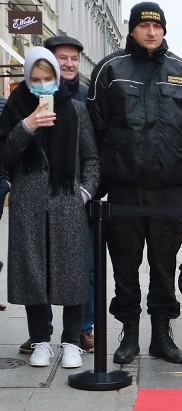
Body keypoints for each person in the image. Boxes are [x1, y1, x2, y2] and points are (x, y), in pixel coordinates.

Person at [88, 2, 182, 365]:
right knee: (124, 265)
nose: (151, 32)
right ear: (132, 30)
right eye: (143, 26)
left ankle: (162, 336)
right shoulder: (110, 69)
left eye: (157, 26)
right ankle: (129, 335)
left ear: (164, 30)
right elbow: (96, 129)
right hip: (124, 190)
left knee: (164, 265)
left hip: (169, 191)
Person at [0, 47, 99, 368]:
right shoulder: (15, 109)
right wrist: (27, 125)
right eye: (36, 79)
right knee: (33, 273)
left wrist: (83, 192)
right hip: (28, 205)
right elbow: (5, 156)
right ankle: (40, 340)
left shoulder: (75, 109)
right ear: (27, 79)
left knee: (71, 273)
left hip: (66, 203)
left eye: (48, 78)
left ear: (58, 77)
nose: (43, 84)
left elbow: (91, 158)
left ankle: (71, 341)